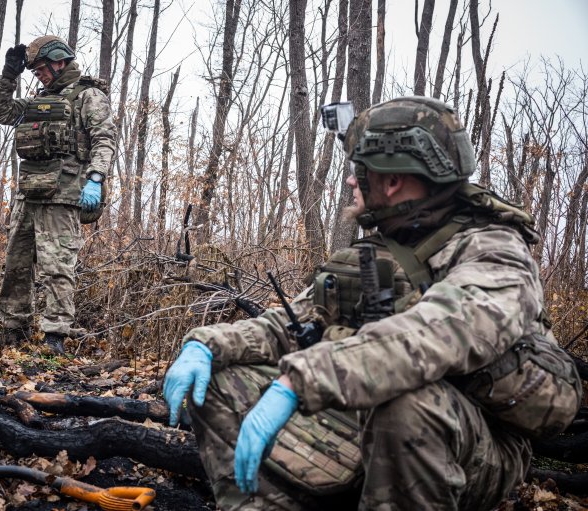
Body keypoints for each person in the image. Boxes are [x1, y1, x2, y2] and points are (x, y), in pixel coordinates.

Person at [163, 96, 581, 510]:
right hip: (371, 422)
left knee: (407, 403)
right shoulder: (383, 247)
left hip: (476, 446)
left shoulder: (493, 250)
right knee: (217, 377)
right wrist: (207, 344)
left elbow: (436, 333)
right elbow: (296, 323)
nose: (349, 182)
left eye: (358, 171)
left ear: (392, 180)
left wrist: (299, 382)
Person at [0, 35, 116, 355]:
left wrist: (96, 179)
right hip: (30, 192)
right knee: (16, 263)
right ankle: (13, 328)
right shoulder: (38, 101)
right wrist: (8, 76)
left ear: (60, 61)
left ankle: (55, 336)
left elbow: (104, 140)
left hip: (65, 194)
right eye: (34, 71)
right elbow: (2, 113)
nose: (39, 75)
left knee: (57, 266)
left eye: (42, 68)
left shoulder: (89, 96)